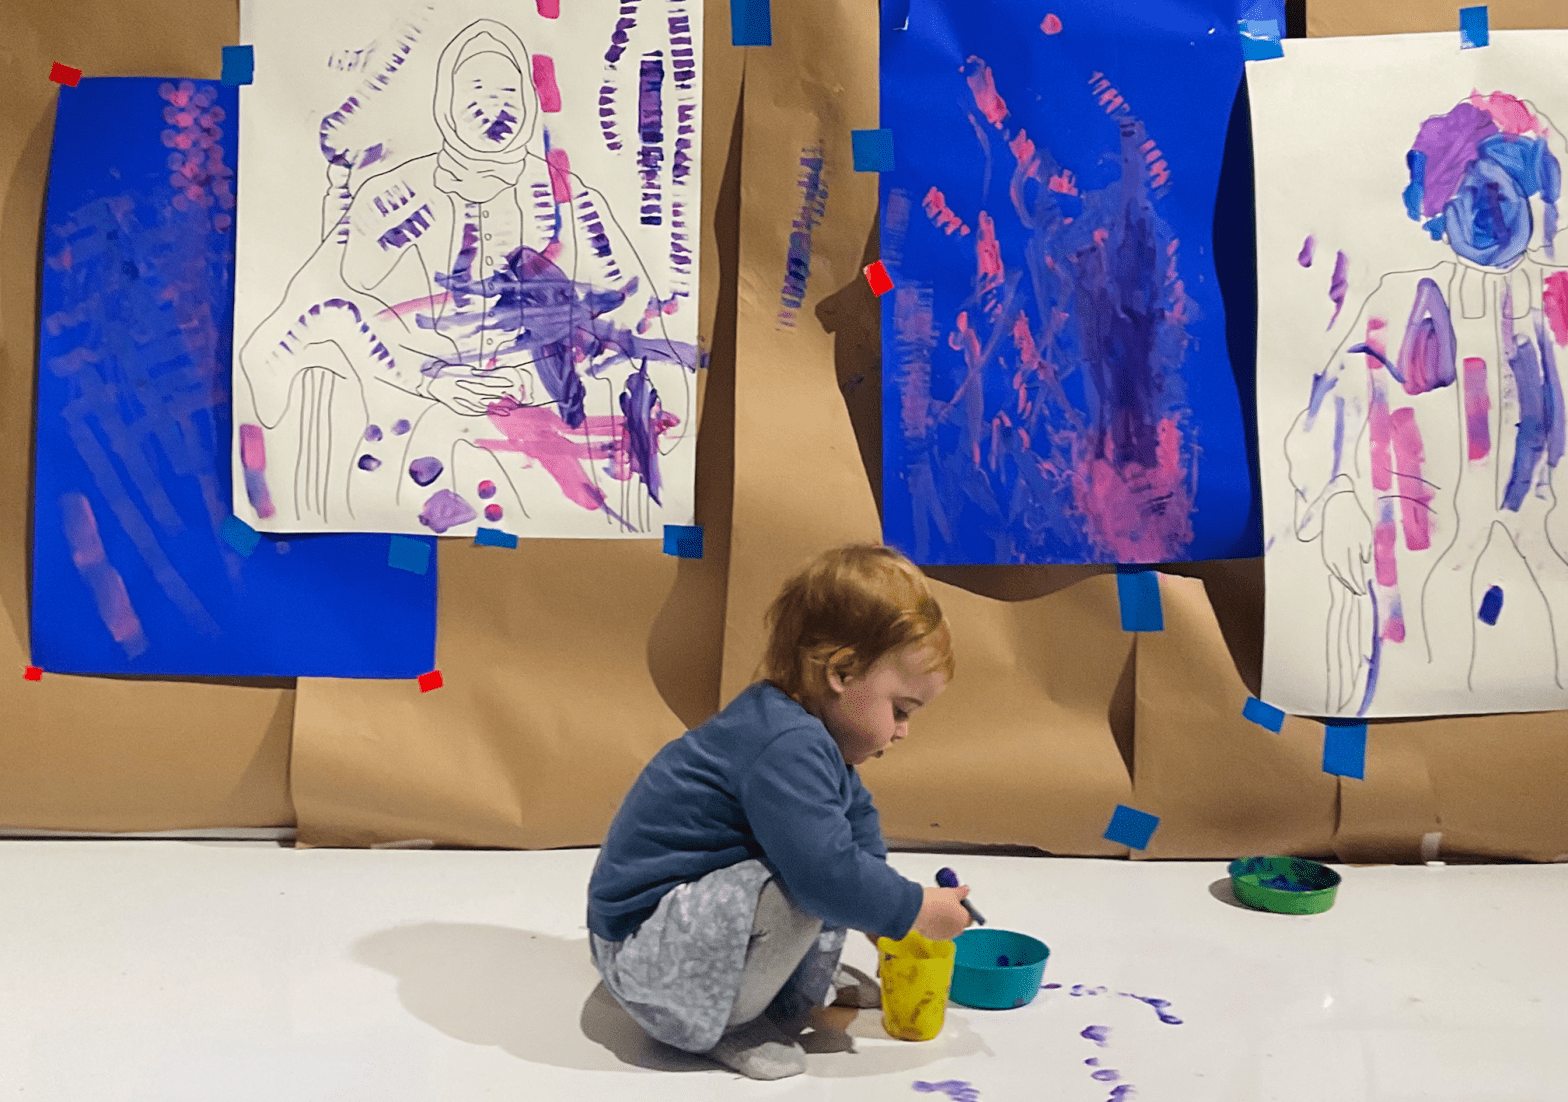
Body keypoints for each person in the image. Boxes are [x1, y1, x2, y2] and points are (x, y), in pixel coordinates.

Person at [586, 543, 968, 1080]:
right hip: (642, 954)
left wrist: (887, 918)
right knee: (804, 886)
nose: (903, 730)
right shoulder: (785, 746)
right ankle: (728, 1025)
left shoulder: (811, 740)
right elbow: (826, 875)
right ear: (843, 672)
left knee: (829, 869)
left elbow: (859, 840)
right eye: (900, 709)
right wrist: (912, 909)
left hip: (669, 936)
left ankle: (775, 991)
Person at [1285, 91, 1568, 714]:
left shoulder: (1553, 306)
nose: (1488, 215)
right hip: (1424, 571)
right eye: (1468, 198)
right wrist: (1334, 499)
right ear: (1437, 212)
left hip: (1540, 560)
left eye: (1501, 194)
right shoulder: (1395, 308)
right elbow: (1321, 410)